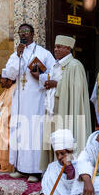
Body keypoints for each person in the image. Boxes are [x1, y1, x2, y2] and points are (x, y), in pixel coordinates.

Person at [6, 23, 55, 183]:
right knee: (20, 132)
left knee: (34, 132)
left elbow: (54, 75)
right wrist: (17, 55)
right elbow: (11, 75)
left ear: (33, 34)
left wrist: (40, 76)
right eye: (21, 32)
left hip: (36, 100)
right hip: (20, 100)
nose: (23, 34)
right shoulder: (16, 54)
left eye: (26, 32)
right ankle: (20, 167)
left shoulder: (43, 53)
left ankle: (36, 170)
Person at [39, 35, 92, 171]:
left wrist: (57, 84)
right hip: (53, 109)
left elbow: (76, 91)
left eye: (59, 47)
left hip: (67, 109)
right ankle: (53, 169)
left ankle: (69, 169)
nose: (55, 50)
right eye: (55, 47)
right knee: (53, 139)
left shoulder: (75, 65)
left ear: (68, 48)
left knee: (65, 139)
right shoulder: (56, 65)